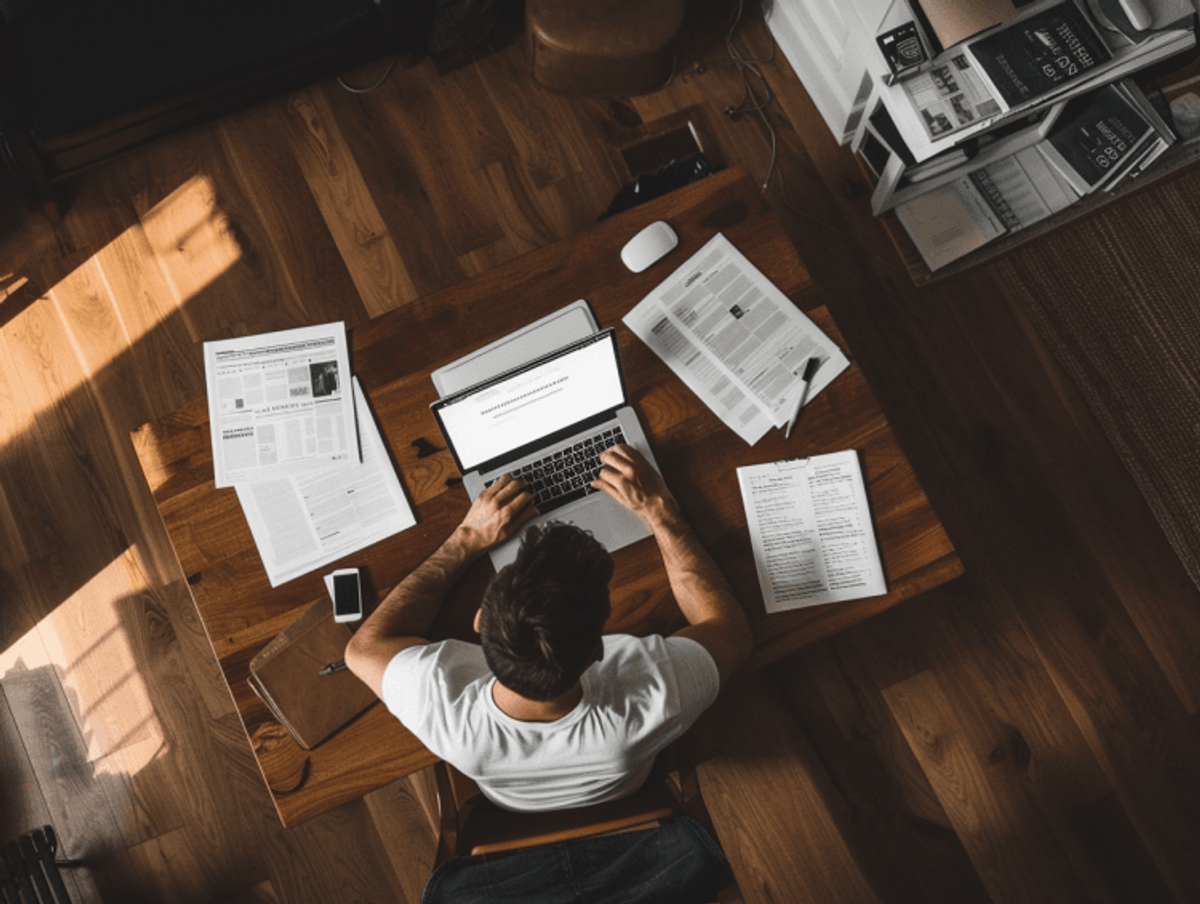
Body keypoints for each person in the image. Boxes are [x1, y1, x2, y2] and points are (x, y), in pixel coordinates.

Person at [344, 444, 753, 812]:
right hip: (625, 786)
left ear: (479, 621)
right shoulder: (650, 697)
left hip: (511, 804)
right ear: (599, 650)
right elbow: (729, 629)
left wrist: (466, 539)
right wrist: (660, 512)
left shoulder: (443, 709)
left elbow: (362, 649)